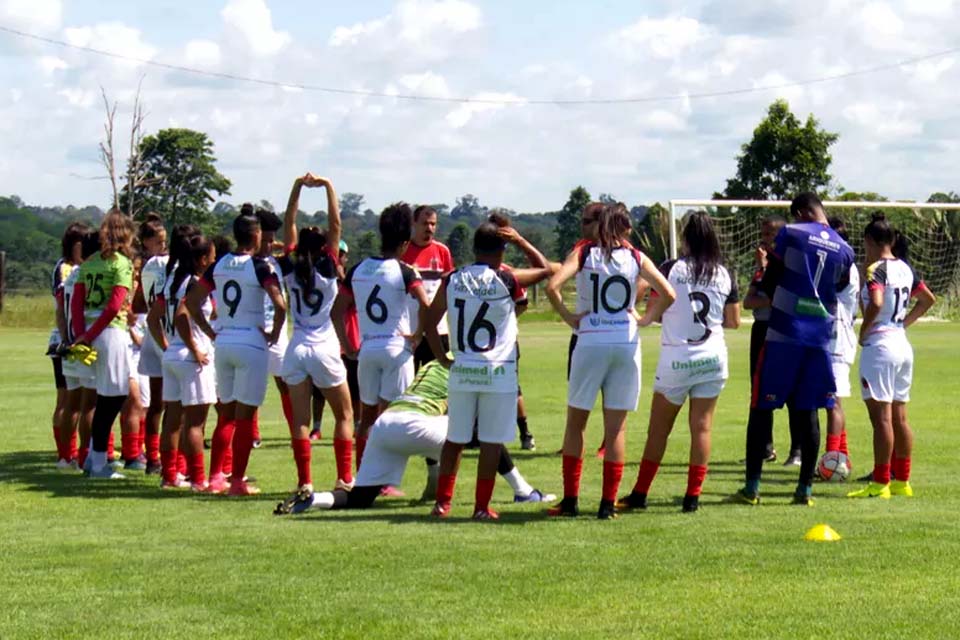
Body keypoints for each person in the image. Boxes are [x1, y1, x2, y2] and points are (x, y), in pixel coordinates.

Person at [275, 360, 554, 515]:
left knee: (361, 498)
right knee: (485, 432)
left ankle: (315, 499)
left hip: (385, 425)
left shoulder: (432, 365)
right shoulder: (467, 369)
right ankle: (523, 491)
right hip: (418, 424)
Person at [545, 202, 675, 519]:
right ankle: (607, 505)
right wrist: (644, 320)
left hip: (590, 340)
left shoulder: (586, 253)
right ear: (624, 228)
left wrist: (570, 317)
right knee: (616, 429)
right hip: (625, 343)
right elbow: (668, 293)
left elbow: (552, 286)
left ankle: (571, 502)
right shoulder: (635, 256)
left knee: (576, 423)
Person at [732, 192, 855, 506]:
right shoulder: (846, 249)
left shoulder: (793, 232)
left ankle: (752, 488)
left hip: (785, 333)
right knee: (808, 409)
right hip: (820, 340)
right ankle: (804, 491)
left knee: (761, 407)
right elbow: (838, 288)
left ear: (802, 212)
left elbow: (772, 281)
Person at [425, 223, 553, 520]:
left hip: (463, 370)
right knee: (491, 441)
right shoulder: (506, 279)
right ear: (502, 249)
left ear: (474, 247)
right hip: (497, 373)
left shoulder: (452, 279)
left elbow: (429, 321)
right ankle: (481, 507)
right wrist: (521, 239)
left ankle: (442, 504)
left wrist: (442, 358)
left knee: (455, 439)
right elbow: (545, 269)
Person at [617, 212, 739, 513]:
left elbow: (653, 305)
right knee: (702, 429)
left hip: (677, 358)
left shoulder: (672, 268)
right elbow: (733, 321)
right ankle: (692, 497)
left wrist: (646, 313)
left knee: (658, 431)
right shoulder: (724, 272)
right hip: (713, 357)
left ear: (685, 237)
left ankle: (641, 493)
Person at [185, 213, 287, 496]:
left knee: (225, 415)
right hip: (251, 343)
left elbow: (193, 301)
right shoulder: (260, 266)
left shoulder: (218, 264)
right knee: (245, 417)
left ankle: (216, 476)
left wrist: (211, 332)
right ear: (256, 236)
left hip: (225, 342)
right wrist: (274, 335)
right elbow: (280, 305)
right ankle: (238, 481)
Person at [333, 203, 430, 474]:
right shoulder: (405, 271)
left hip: (368, 349)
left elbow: (336, 311)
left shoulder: (358, 270)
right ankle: (385, 479)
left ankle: (364, 474)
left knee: (366, 418)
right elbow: (426, 304)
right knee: (391, 418)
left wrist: (349, 346)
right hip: (396, 349)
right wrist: (418, 334)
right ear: (404, 242)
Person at [276, 173, 355, 494]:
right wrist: (328, 187)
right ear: (325, 246)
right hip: (324, 345)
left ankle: (304, 481)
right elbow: (336, 225)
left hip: (296, 347)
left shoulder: (290, 264)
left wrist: (296, 186)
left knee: (300, 422)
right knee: (345, 415)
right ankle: (344, 478)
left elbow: (288, 221)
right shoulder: (328, 266)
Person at [847, 214, 935, 499]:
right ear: (893, 240)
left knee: (881, 420)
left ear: (868, 241)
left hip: (881, 348)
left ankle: (881, 481)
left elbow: (876, 301)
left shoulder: (876, 270)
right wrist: (903, 324)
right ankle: (902, 480)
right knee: (900, 417)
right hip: (901, 343)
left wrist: (864, 330)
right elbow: (927, 300)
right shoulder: (906, 269)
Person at [70, 211, 137, 479]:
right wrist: (90, 333)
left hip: (90, 329)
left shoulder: (89, 263)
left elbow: (77, 302)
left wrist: (81, 333)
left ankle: (92, 459)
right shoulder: (121, 263)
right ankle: (98, 461)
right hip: (110, 332)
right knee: (114, 398)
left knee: (104, 397)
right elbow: (114, 305)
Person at [149, 234, 218, 491]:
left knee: (172, 420)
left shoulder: (171, 282)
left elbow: (152, 319)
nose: (213, 261)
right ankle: (198, 479)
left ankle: (169, 476)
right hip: (190, 357)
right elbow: (181, 316)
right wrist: (195, 348)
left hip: (172, 357)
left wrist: (168, 346)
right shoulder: (195, 283)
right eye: (211, 258)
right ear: (202, 260)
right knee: (195, 423)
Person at [487, 211, 552, 451]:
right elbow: (542, 271)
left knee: (506, 386)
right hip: (499, 341)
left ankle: (523, 432)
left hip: (493, 342)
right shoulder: (507, 273)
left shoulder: (504, 272)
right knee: (506, 386)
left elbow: (540, 274)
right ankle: (521, 434)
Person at [741, 214, 787, 465]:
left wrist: (766, 293)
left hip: (780, 328)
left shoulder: (786, 264)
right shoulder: (761, 268)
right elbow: (749, 302)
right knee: (758, 389)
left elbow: (776, 296)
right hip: (760, 329)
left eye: (770, 234)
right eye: (763, 234)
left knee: (789, 391)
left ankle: (798, 451)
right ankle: (765, 447)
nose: (764, 239)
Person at [53, 228, 97, 470]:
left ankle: (64, 457)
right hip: (85, 346)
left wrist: (65, 339)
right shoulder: (89, 275)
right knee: (89, 404)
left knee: (71, 404)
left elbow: (60, 309)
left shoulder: (70, 275)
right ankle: (84, 457)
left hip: (70, 343)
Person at [131, 214, 169, 474]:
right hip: (167, 333)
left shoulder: (145, 267)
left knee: (156, 403)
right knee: (175, 404)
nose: (163, 245)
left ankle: (153, 458)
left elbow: (137, 304)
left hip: (150, 335)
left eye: (165, 241)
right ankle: (172, 460)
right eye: (159, 241)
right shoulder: (167, 265)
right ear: (146, 242)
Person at [821, 217, 858, 466]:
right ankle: (840, 458)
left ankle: (831, 459)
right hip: (833, 339)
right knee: (833, 402)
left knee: (832, 402)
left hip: (837, 341)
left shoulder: (844, 266)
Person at [255, 206, 293, 448]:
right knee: (250, 387)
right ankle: (253, 434)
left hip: (277, 334)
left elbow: (292, 241)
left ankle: (295, 432)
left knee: (286, 383)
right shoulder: (248, 263)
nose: (270, 245)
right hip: (257, 331)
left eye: (272, 240)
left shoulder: (278, 263)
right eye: (265, 240)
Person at [403, 205, 455, 370]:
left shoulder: (442, 251)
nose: (429, 228)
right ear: (414, 224)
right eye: (425, 223)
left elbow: (449, 287)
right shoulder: (403, 250)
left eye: (433, 224)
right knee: (407, 386)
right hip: (408, 331)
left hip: (437, 330)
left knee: (435, 384)